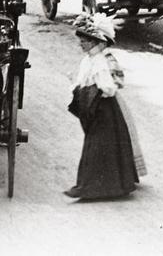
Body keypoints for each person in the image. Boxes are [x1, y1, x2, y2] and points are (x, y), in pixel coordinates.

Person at [66, 13, 144, 201]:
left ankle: (92, 187)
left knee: (98, 146)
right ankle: (111, 184)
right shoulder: (89, 60)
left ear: (94, 41)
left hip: (103, 108)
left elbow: (108, 87)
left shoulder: (100, 61)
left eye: (84, 40)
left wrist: (90, 91)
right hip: (97, 106)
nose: (81, 43)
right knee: (103, 145)